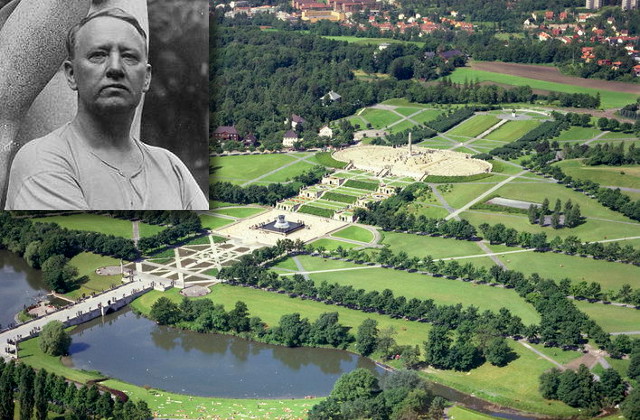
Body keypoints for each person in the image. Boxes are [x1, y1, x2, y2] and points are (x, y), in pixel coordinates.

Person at [4, 7, 208, 210]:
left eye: (129, 56)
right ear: (71, 74)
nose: (115, 68)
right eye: (98, 55)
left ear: (146, 78)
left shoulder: (170, 167)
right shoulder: (42, 159)